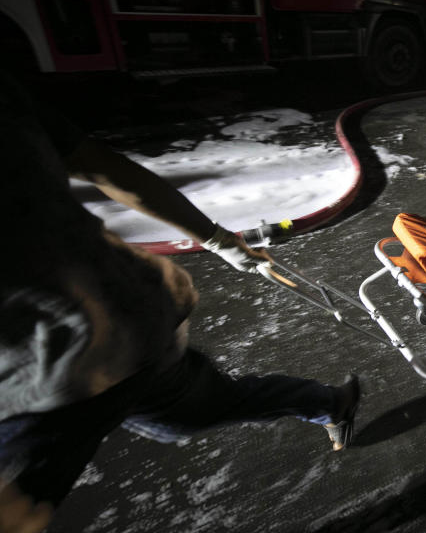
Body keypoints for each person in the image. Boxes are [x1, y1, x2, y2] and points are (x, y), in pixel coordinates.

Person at [0, 73, 361, 531]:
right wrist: (222, 242)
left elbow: (102, 168)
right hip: (102, 329)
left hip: (85, 340)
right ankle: (330, 402)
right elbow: (102, 167)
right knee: (189, 414)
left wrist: (223, 242)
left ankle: (329, 402)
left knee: (189, 409)